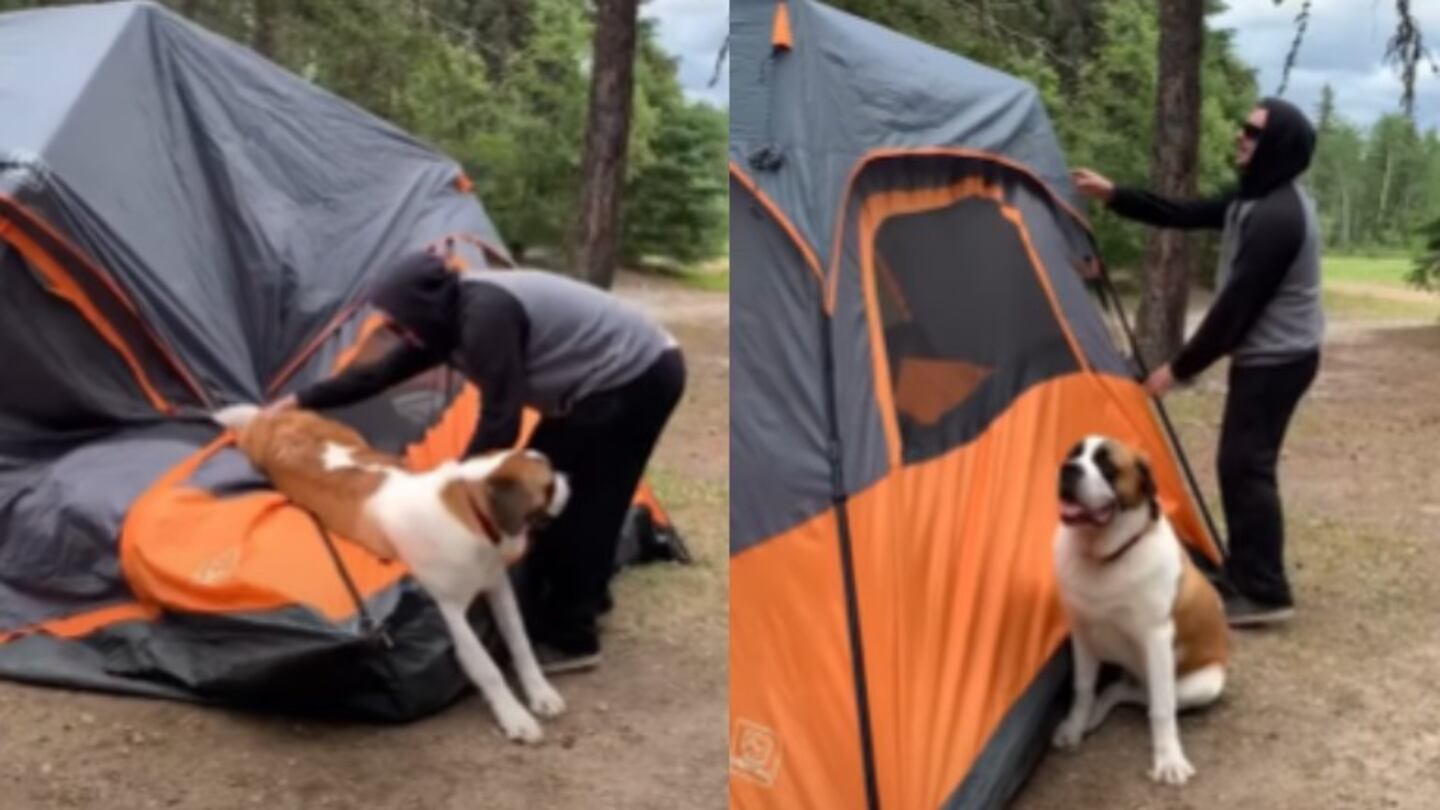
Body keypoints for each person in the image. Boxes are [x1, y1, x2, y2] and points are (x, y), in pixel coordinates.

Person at [271, 250, 686, 671]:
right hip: (622, 376)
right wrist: (299, 401)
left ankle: (570, 638)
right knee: (563, 493)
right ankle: (582, 599)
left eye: (399, 320)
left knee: (567, 497)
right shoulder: (442, 323)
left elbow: (500, 420)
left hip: (636, 377)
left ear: (424, 305)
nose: (396, 330)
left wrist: (450, 496)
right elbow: (376, 375)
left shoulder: (486, 317)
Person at [1071, 97, 1322, 628]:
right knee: (1242, 462)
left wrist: (1178, 369)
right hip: (1268, 355)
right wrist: (1115, 196)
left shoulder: (1279, 216)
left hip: (1280, 360)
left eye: (1251, 132)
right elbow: (1185, 212)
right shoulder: (1252, 198)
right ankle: (1248, 571)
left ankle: (1265, 589)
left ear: (1276, 144)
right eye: (1242, 127)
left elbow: (1234, 310)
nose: (1240, 137)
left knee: (1245, 464)